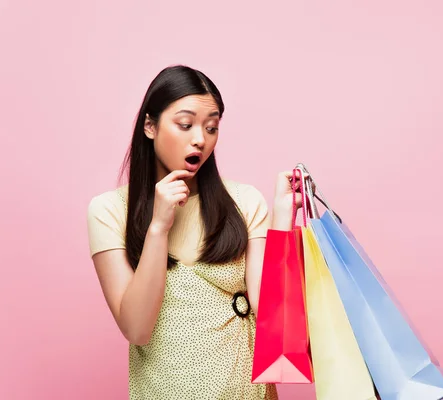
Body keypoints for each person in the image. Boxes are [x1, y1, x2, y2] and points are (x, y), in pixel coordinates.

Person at [86, 65, 304, 400]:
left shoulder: (244, 202)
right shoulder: (109, 211)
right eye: (185, 125)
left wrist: (282, 218)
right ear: (150, 126)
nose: (200, 139)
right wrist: (158, 227)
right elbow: (137, 328)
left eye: (211, 127)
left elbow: (272, 316)